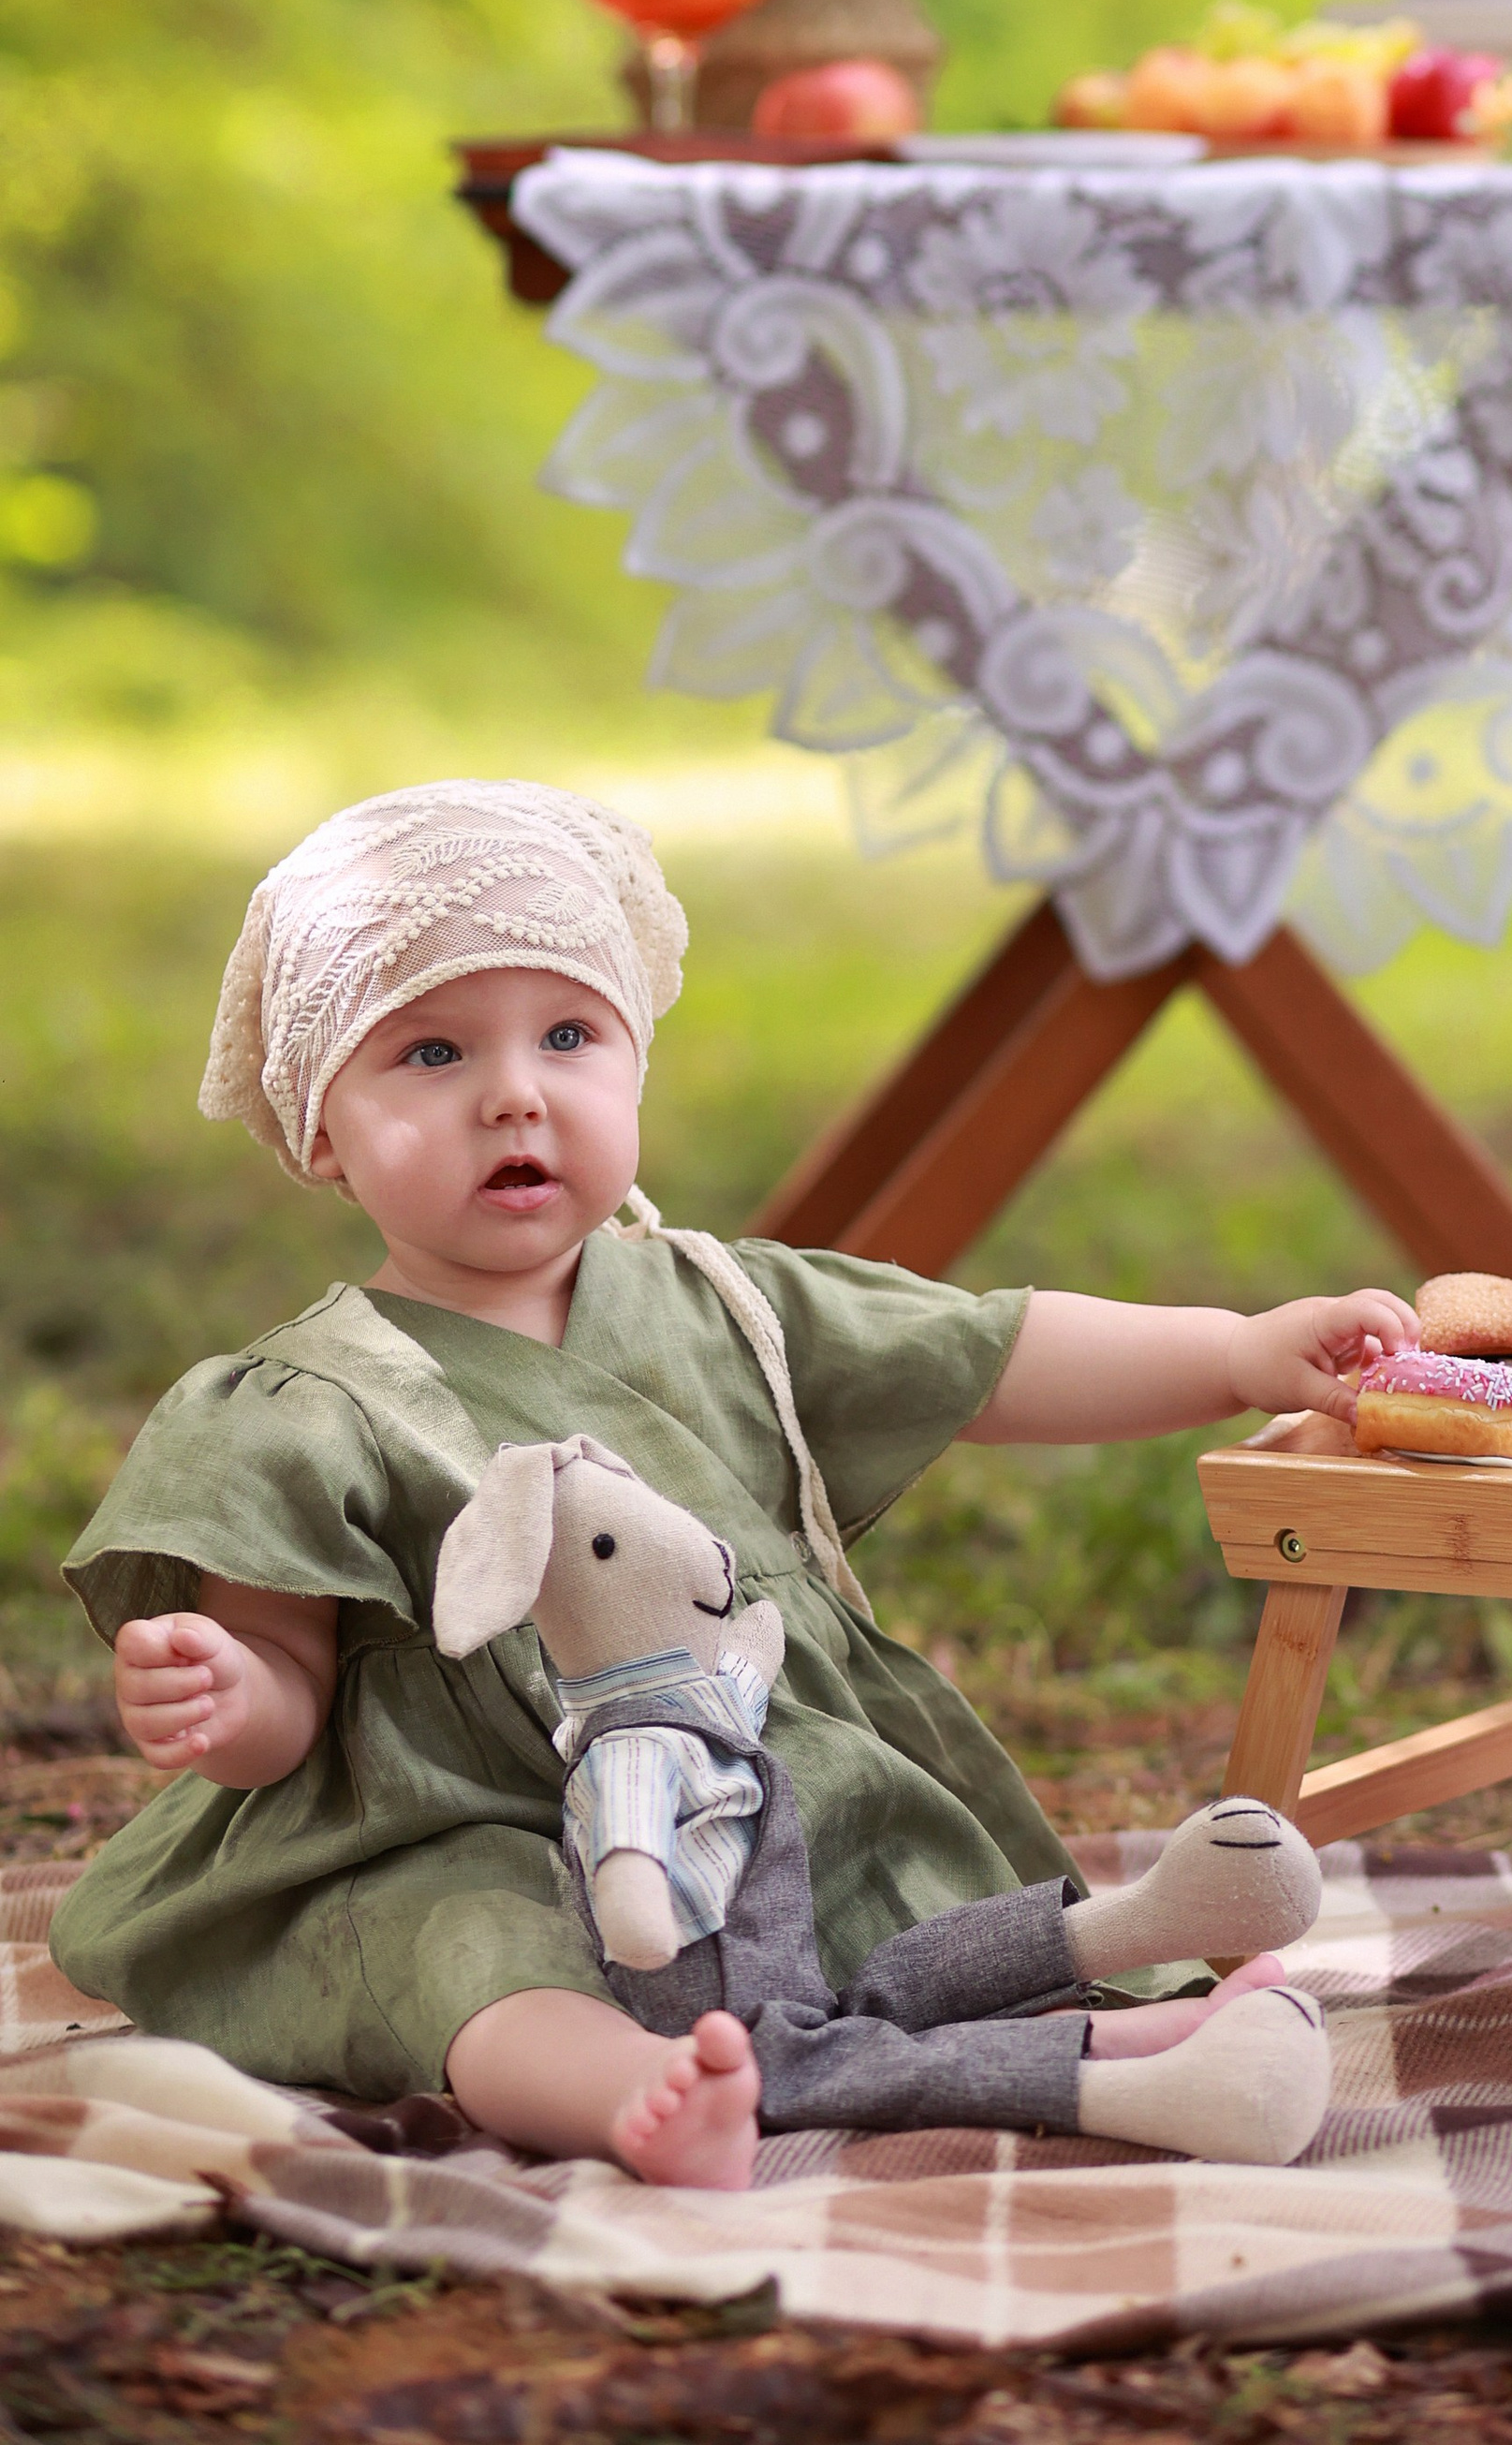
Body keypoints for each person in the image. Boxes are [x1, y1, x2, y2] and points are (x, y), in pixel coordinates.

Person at [53, 781, 1417, 2190]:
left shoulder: (732, 1305)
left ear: (634, 1068)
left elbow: (996, 1351)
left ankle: (1135, 2040)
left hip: (743, 1780)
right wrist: (228, 1692)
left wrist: (1239, 1350)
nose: (514, 1090)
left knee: (871, 1885)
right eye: (432, 1050)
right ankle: (639, 2094)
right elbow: (284, 1686)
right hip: (463, 1819)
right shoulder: (307, 1402)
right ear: (321, 1130)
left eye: (569, 1035)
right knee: (457, 1943)